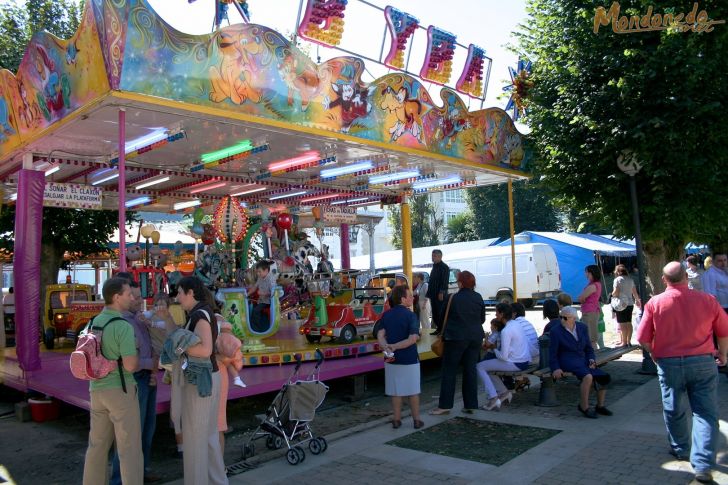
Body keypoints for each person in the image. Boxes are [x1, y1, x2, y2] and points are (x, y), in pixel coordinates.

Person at [636, 262, 728, 484]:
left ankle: (681, 449)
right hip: (703, 361)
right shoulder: (708, 300)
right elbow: (723, 331)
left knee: (673, 407)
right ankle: (703, 464)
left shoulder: (654, 303)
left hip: (669, 363)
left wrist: (654, 353)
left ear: (664, 280)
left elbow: (642, 338)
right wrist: (723, 355)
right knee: (705, 413)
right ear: (686, 276)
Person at [82, 277, 143, 485]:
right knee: (129, 448)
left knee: (96, 446)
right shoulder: (122, 326)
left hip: (96, 389)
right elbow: (130, 366)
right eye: (128, 294)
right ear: (117, 297)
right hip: (121, 391)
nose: (131, 297)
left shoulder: (93, 322)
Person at [175, 276, 228, 485]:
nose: (177, 297)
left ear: (190, 293)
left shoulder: (199, 315)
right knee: (208, 437)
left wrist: (178, 348)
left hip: (201, 382)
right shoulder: (203, 312)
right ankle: (216, 480)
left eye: (180, 292)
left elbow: (205, 350)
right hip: (208, 379)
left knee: (197, 438)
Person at [110, 280, 161, 484]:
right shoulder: (122, 323)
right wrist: (152, 364)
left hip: (146, 377)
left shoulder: (138, 319)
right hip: (134, 379)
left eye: (139, 296)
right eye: (134, 297)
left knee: (147, 428)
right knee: (130, 433)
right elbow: (126, 361)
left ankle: (141, 470)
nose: (138, 300)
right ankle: (119, 479)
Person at [430, 271, 485, 415]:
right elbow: (482, 319)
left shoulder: (452, 298)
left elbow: (442, 319)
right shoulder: (478, 297)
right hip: (475, 338)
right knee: (470, 370)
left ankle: (445, 405)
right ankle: (471, 404)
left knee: (449, 371)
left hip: (455, 338)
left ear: (460, 283)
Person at [549, 306, 612, 419]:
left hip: (582, 359)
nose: (562, 320)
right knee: (587, 376)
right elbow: (552, 353)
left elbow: (588, 348)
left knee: (604, 377)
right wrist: (556, 368)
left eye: (566, 318)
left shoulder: (582, 327)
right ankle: (584, 406)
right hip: (567, 360)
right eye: (561, 317)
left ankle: (600, 406)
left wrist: (591, 359)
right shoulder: (556, 331)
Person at [376, 285, 422, 429]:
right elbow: (413, 338)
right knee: (412, 390)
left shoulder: (386, 315)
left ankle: (396, 420)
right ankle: (416, 420)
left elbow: (380, 335)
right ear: (403, 299)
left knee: (395, 391)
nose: (412, 297)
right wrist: (395, 346)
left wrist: (386, 347)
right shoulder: (411, 316)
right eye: (410, 295)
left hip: (391, 359)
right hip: (409, 358)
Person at [475, 303, 530, 410]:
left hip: (515, 363)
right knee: (488, 367)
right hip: (524, 360)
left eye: (497, 312)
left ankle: (493, 398)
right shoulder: (516, 324)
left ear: (502, 314)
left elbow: (503, 357)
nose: (495, 315)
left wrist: (494, 348)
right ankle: (503, 392)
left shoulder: (506, 331)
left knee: (479, 366)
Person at [216, 317, 244, 455]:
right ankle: (218, 466)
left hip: (217, 374)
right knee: (217, 425)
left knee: (217, 425)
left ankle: (218, 466)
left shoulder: (214, 323)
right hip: (218, 372)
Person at [611, 264, 640, 347]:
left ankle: (624, 342)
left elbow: (616, 291)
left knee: (622, 323)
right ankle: (628, 341)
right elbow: (634, 292)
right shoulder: (630, 280)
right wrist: (637, 300)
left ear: (618, 272)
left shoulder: (617, 280)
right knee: (628, 322)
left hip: (621, 304)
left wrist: (612, 295)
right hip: (630, 304)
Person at [577, 265, 603, 348]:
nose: (586, 274)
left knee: (590, 338)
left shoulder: (593, 285)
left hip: (590, 312)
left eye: (587, 272)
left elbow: (581, 298)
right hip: (592, 311)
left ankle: (594, 358)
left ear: (591, 273)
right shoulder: (596, 284)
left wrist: (582, 299)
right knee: (591, 337)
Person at [248, 260, 277, 333]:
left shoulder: (271, 279)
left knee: (255, 311)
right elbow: (255, 287)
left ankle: (256, 330)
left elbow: (273, 292)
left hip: (268, 301)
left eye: (259, 271)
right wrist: (247, 294)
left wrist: (264, 293)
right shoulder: (260, 278)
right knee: (250, 307)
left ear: (266, 270)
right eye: (257, 272)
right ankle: (257, 326)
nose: (258, 274)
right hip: (261, 301)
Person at [426, 249, 450, 336]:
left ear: (440, 256)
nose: (432, 258)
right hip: (433, 294)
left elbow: (444, 281)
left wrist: (441, 292)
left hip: (440, 294)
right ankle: (438, 329)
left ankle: (443, 331)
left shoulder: (444, 267)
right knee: (435, 313)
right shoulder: (434, 267)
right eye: (432, 256)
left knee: (440, 313)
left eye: (434, 256)